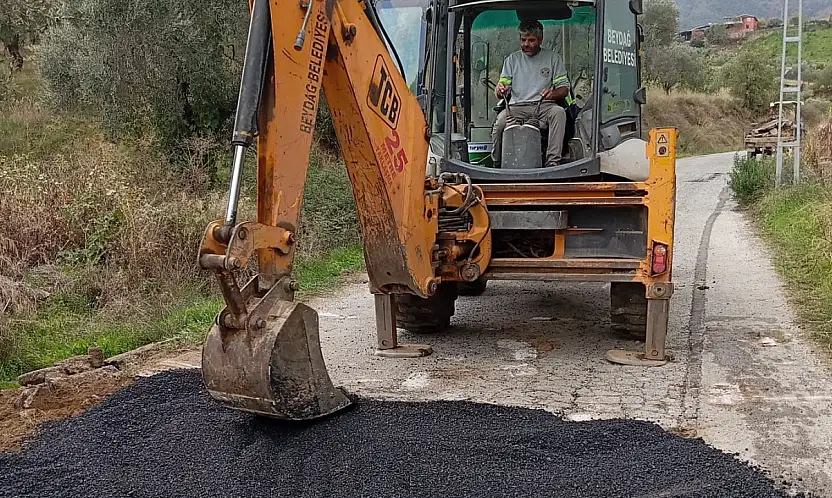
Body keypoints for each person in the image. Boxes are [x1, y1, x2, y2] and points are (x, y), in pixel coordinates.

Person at [492, 20, 571, 168]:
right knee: (500, 122)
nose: (526, 44)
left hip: (544, 106)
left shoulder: (553, 58)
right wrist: (500, 89)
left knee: (559, 113)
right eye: (523, 40)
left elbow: (564, 89)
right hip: (516, 107)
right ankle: (497, 164)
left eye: (531, 40)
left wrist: (552, 93)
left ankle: (552, 163)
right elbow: (501, 88)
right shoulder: (512, 60)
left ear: (540, 40)